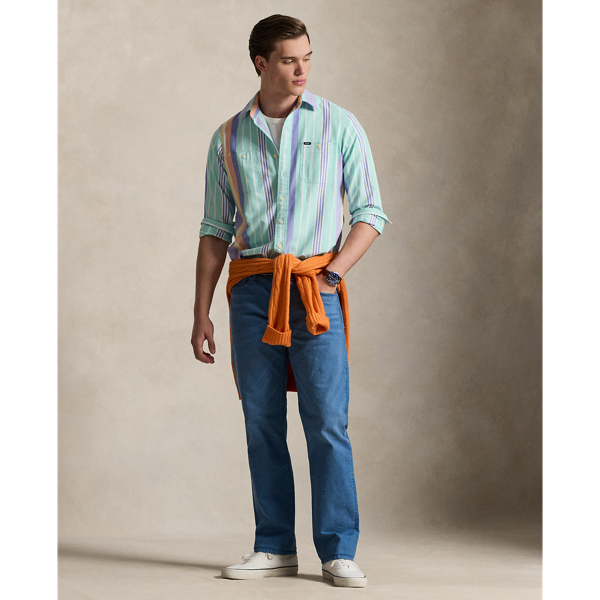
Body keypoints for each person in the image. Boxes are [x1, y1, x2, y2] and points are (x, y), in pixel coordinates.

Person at [191, 14, 390, 588]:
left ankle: (338, 550)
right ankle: (274, 546)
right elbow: (214, 230)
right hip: (253, 290)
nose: (302, 69)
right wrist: (201, 312)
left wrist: (332, 274)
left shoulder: (338, 124)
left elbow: (370, 213)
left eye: (307, 57)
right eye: (288, 59)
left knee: (327, 421)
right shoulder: (227, 137)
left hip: (313, 288)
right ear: (261, 63)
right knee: (261, 420)